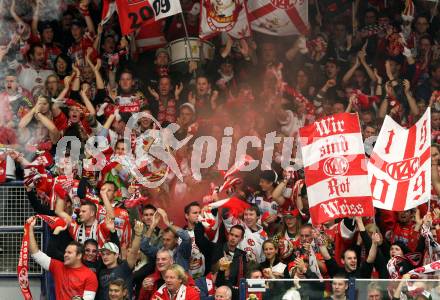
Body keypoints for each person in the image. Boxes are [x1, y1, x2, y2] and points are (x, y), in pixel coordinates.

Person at [27, 216, 98, 300]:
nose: (65, 255)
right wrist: (30, 228)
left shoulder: (90, 276)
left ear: (79, 255)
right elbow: (35, 253)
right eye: (65, 252)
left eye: (69, 253)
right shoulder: (58, 267)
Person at [97, 220, 143, 300]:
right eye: (103, 254)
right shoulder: (101, 271)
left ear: (116, 255)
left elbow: (133, 252)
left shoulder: (124, 267)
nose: (105, 256)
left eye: (108, 254)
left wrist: (138, 235)